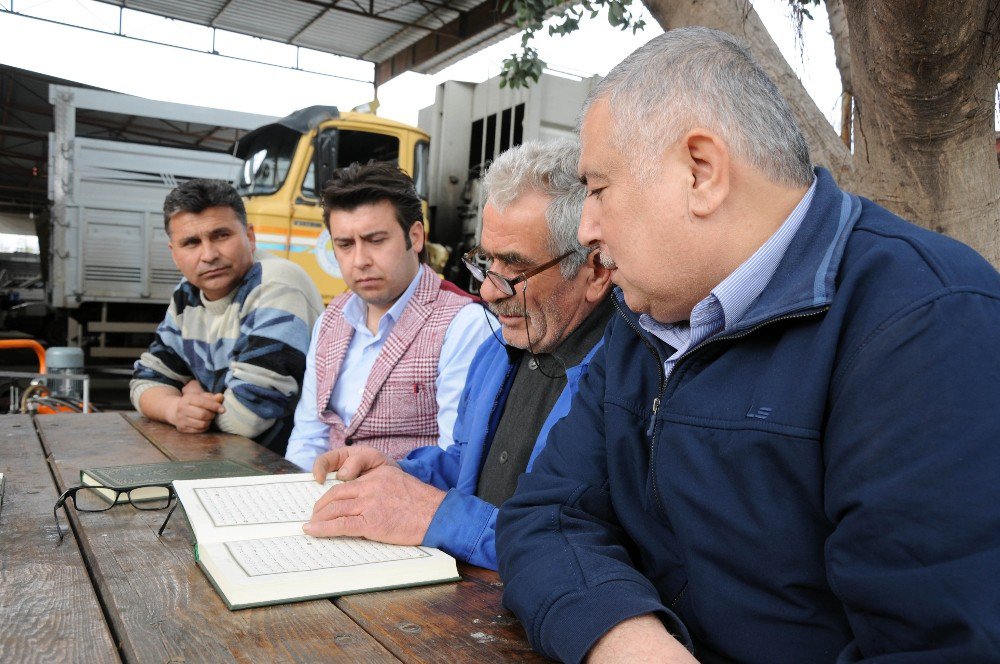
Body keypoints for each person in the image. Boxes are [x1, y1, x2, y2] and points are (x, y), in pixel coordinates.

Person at [496, 27, 1000, 664]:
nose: (587, 229)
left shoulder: (925, 324)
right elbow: (545, 517)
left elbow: (941, 643)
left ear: (701, 172)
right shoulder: (643, 320)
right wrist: (625, 638)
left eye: (597, 188)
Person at [301, 139, 614, 570]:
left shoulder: (625, 380)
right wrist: (399, 474)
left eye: (515, 269)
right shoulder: (497, 351)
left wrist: (438, 515)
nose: (487, 290)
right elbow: (467, 466)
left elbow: (579, 551)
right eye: (485, 261)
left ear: (594, 270)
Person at [284, 161, 492, 469]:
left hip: (410, 506)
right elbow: (308, 437)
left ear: (416, 237)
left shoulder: (463, 324)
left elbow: (458, 460)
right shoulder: (330, 320)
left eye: (375, 240)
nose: (360, 260)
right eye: (344, 245)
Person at [131, 178, 323, 455]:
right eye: (191, 242)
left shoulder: (277, 284)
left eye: (221, 235)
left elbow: (248, 417)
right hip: (234, 459)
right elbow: (145, 381)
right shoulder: (187, 294)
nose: (209, 254)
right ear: (174, 254)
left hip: (286, 469)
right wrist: (176, 408)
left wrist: (191, 392)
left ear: (250, 236)